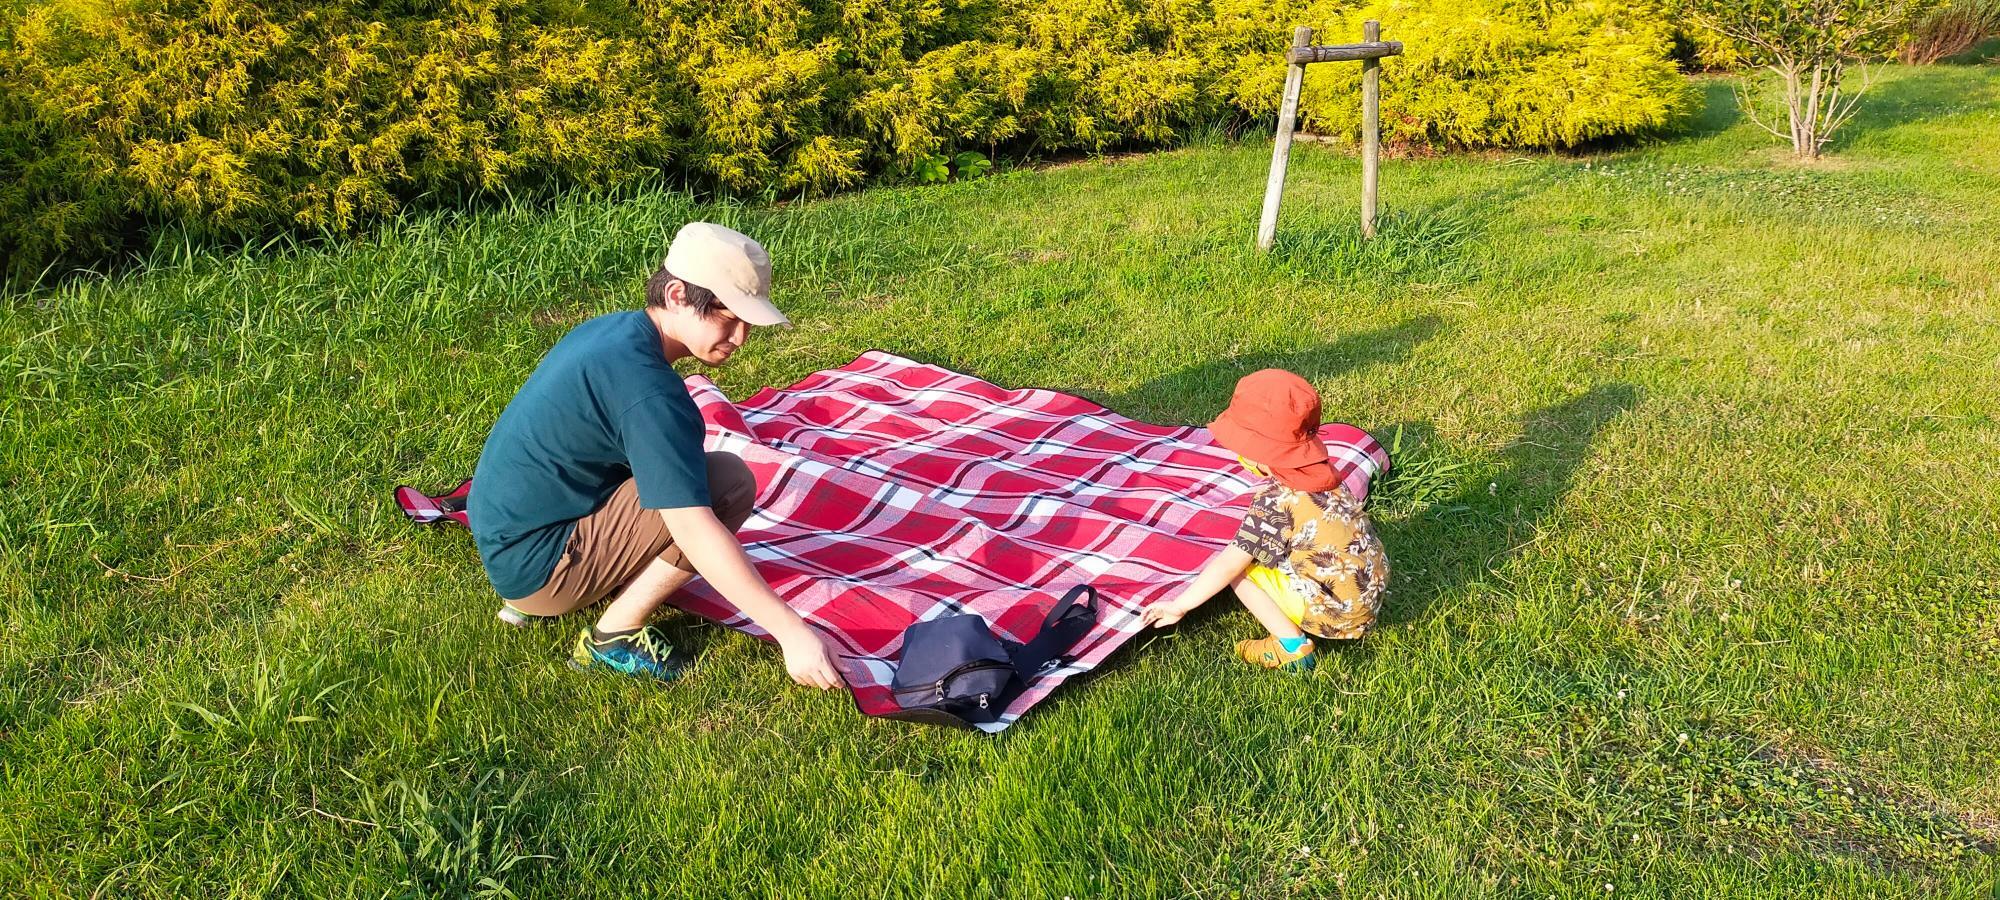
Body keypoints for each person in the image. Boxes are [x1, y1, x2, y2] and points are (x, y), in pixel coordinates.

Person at [468, 221, 842, 690]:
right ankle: (614, 634)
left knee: (691, 476)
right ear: (678, 296)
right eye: (729, 317)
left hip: (510, 537)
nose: (742, 337)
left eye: (748, 321)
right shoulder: (650, 395)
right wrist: (792, 633)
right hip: (539, 570)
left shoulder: (614, 333)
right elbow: (692, 526)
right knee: (726, 482)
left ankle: (551, 597)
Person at [1140, 369, 1389, 671]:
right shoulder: (1329, 475)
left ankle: (1290, 646)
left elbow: (1228, 563)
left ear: (1261, 454)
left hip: (1334, 612)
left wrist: (1179, 606)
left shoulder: (1276, 502)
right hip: (1368, 597)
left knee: (1240, 569)